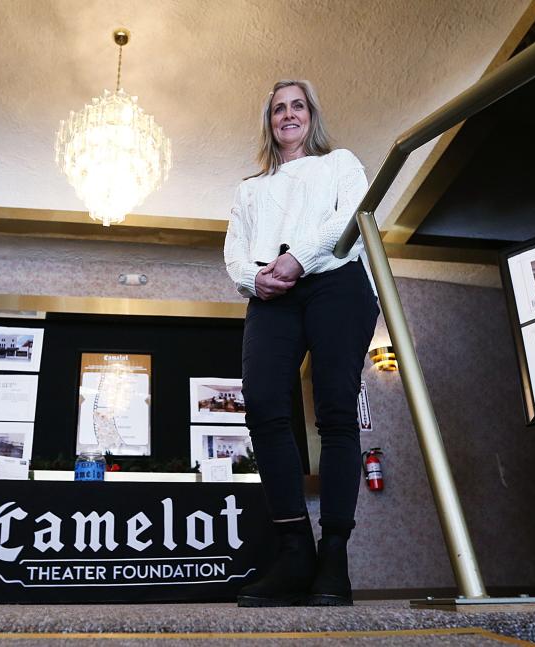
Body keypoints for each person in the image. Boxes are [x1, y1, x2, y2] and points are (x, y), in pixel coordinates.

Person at [224, 79, 379, 607]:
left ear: (312, 113)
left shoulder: (340, 163)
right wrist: (254, 279)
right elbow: (235, 252)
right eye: (277, 110)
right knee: (264, 409)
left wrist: (299, 258)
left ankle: (334, 554)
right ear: (269, 123)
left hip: (336, 281)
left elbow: (354, 215)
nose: (287, 115)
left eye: (297, 106)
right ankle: (295, 552)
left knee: (335, 412)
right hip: (273, 294)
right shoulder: (249, 189)